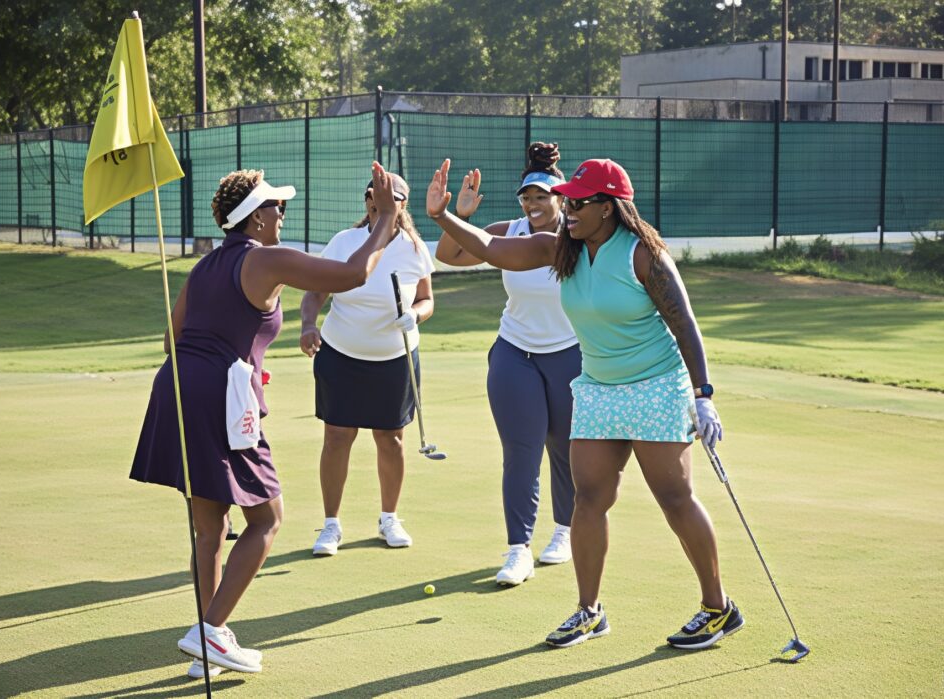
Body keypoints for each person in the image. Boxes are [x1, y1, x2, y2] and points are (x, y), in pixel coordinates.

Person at [425, 157, 739, 651]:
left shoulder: (643, 255)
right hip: (596, 387)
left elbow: (685, 324)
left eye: (579, 201)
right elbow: (491, 248)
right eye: (566, 200)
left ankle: (718, 608)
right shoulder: (560, 249)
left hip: (655, 385)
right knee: (588, 500)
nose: (567, 208)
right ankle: (589, 612)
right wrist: (443, 217)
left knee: (674, 500)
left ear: (609, 208)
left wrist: (703, 396)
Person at [130, 163, 399, 678]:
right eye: (277, 206)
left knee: (211, 528)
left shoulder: (207, 264)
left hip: (177, 389)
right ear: (255, 218)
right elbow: (352, 276)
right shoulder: (265, 259)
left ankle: (212, 643)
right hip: (218, 400)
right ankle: (209, 632)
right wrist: (385, 218)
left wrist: (239, 362)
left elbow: (174, 341)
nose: (282, 212)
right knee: (267, 519)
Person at [435, 143, 580, 586]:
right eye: (527, 197)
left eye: (541, 197)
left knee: (565, 446)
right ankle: (519, 549)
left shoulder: (578, 239)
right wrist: (458, 215)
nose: (533, 205)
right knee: (521, 450)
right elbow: (449, 255)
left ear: (561, 198)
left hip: (569, 354)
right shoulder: (509, 230)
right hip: (514, 351)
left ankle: (565, 531)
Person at [299, 172, 435, 556]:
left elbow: (427, 299)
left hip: (394, 358)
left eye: (388, 197)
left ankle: (389, 518)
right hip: (341, 353)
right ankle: (330, 525)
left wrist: (416, 314)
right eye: (372, 196)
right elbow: (315, 293)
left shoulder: (413, 248)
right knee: (337, 437)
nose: (376, 202)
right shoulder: (346, 241)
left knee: (390, 440)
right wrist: (309, 325)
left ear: (402, 204)